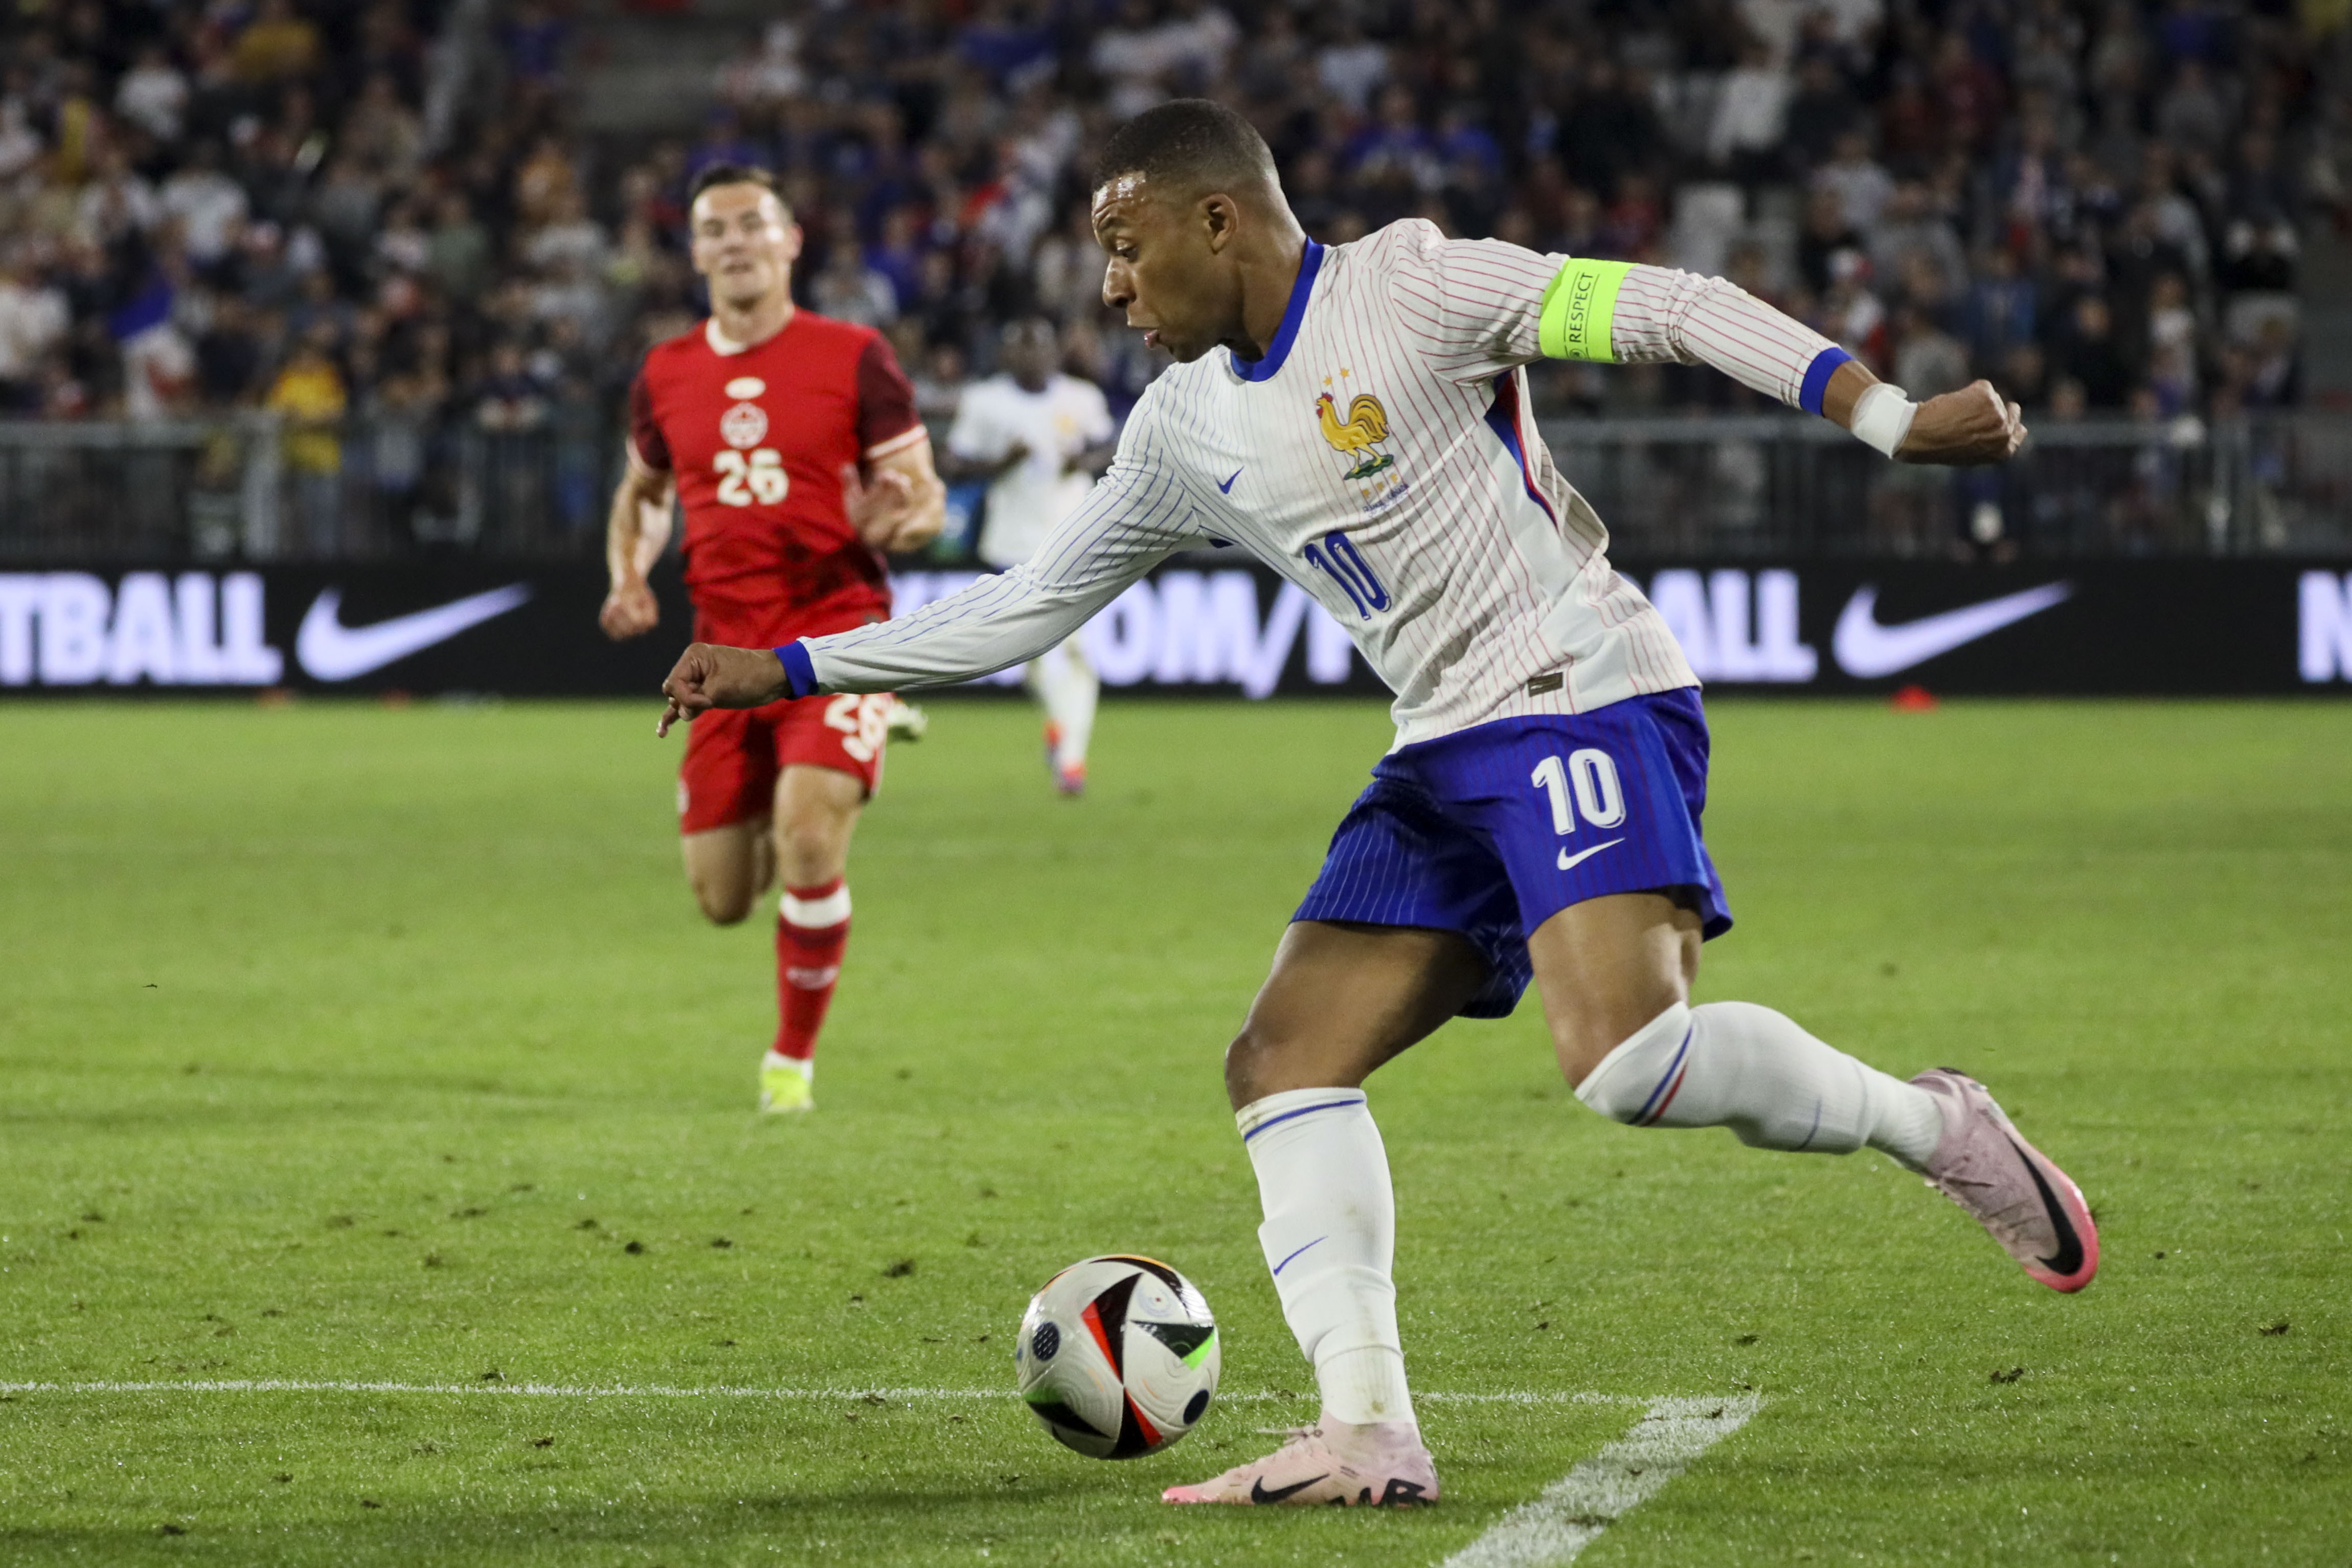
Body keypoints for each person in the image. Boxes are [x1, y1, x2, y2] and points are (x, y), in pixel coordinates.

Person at [654, 101, 2093, 1503]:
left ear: (1219, 220)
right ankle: (1367, 1431)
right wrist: (787, 667)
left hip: (1578, 691)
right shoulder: (1179, 427)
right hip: (1440, 750)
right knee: (1283, 1062)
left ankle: (1934, 1126)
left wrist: (1889, 415)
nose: (1110, 287)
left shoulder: (1412, 288)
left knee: (1626, 1063)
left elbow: (1674, 306)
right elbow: (1027, 605)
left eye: (1127, 247)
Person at [602, 162, 944, 1116]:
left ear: (791, 239)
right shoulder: (665, 372)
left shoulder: (854, 355)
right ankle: (856, 741)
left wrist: (899, 521)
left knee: (807, 836)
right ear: (695, 252)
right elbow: (644, 494)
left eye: (753, 223)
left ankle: (790, 1063)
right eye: (715, 229)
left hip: (838, 636)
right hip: (721, 656)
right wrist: (627, 574)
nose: (736, 242)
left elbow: (924, 497)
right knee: (723, 898)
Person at [941, 318, 1118, 794]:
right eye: (1021, 348)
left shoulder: (1081, 398)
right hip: (1013, 544)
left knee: (1077, 653)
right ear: (1006, 355)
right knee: (1032, 658)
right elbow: (952, 463)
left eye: (1039, 346)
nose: (1031, 356)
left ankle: (1072, 761)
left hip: (1077, 538)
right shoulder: (986, 402)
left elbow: (1110, 445)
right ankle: (1060, 727)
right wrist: (1001, 463)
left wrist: (1084, 461)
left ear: (1055, 351)